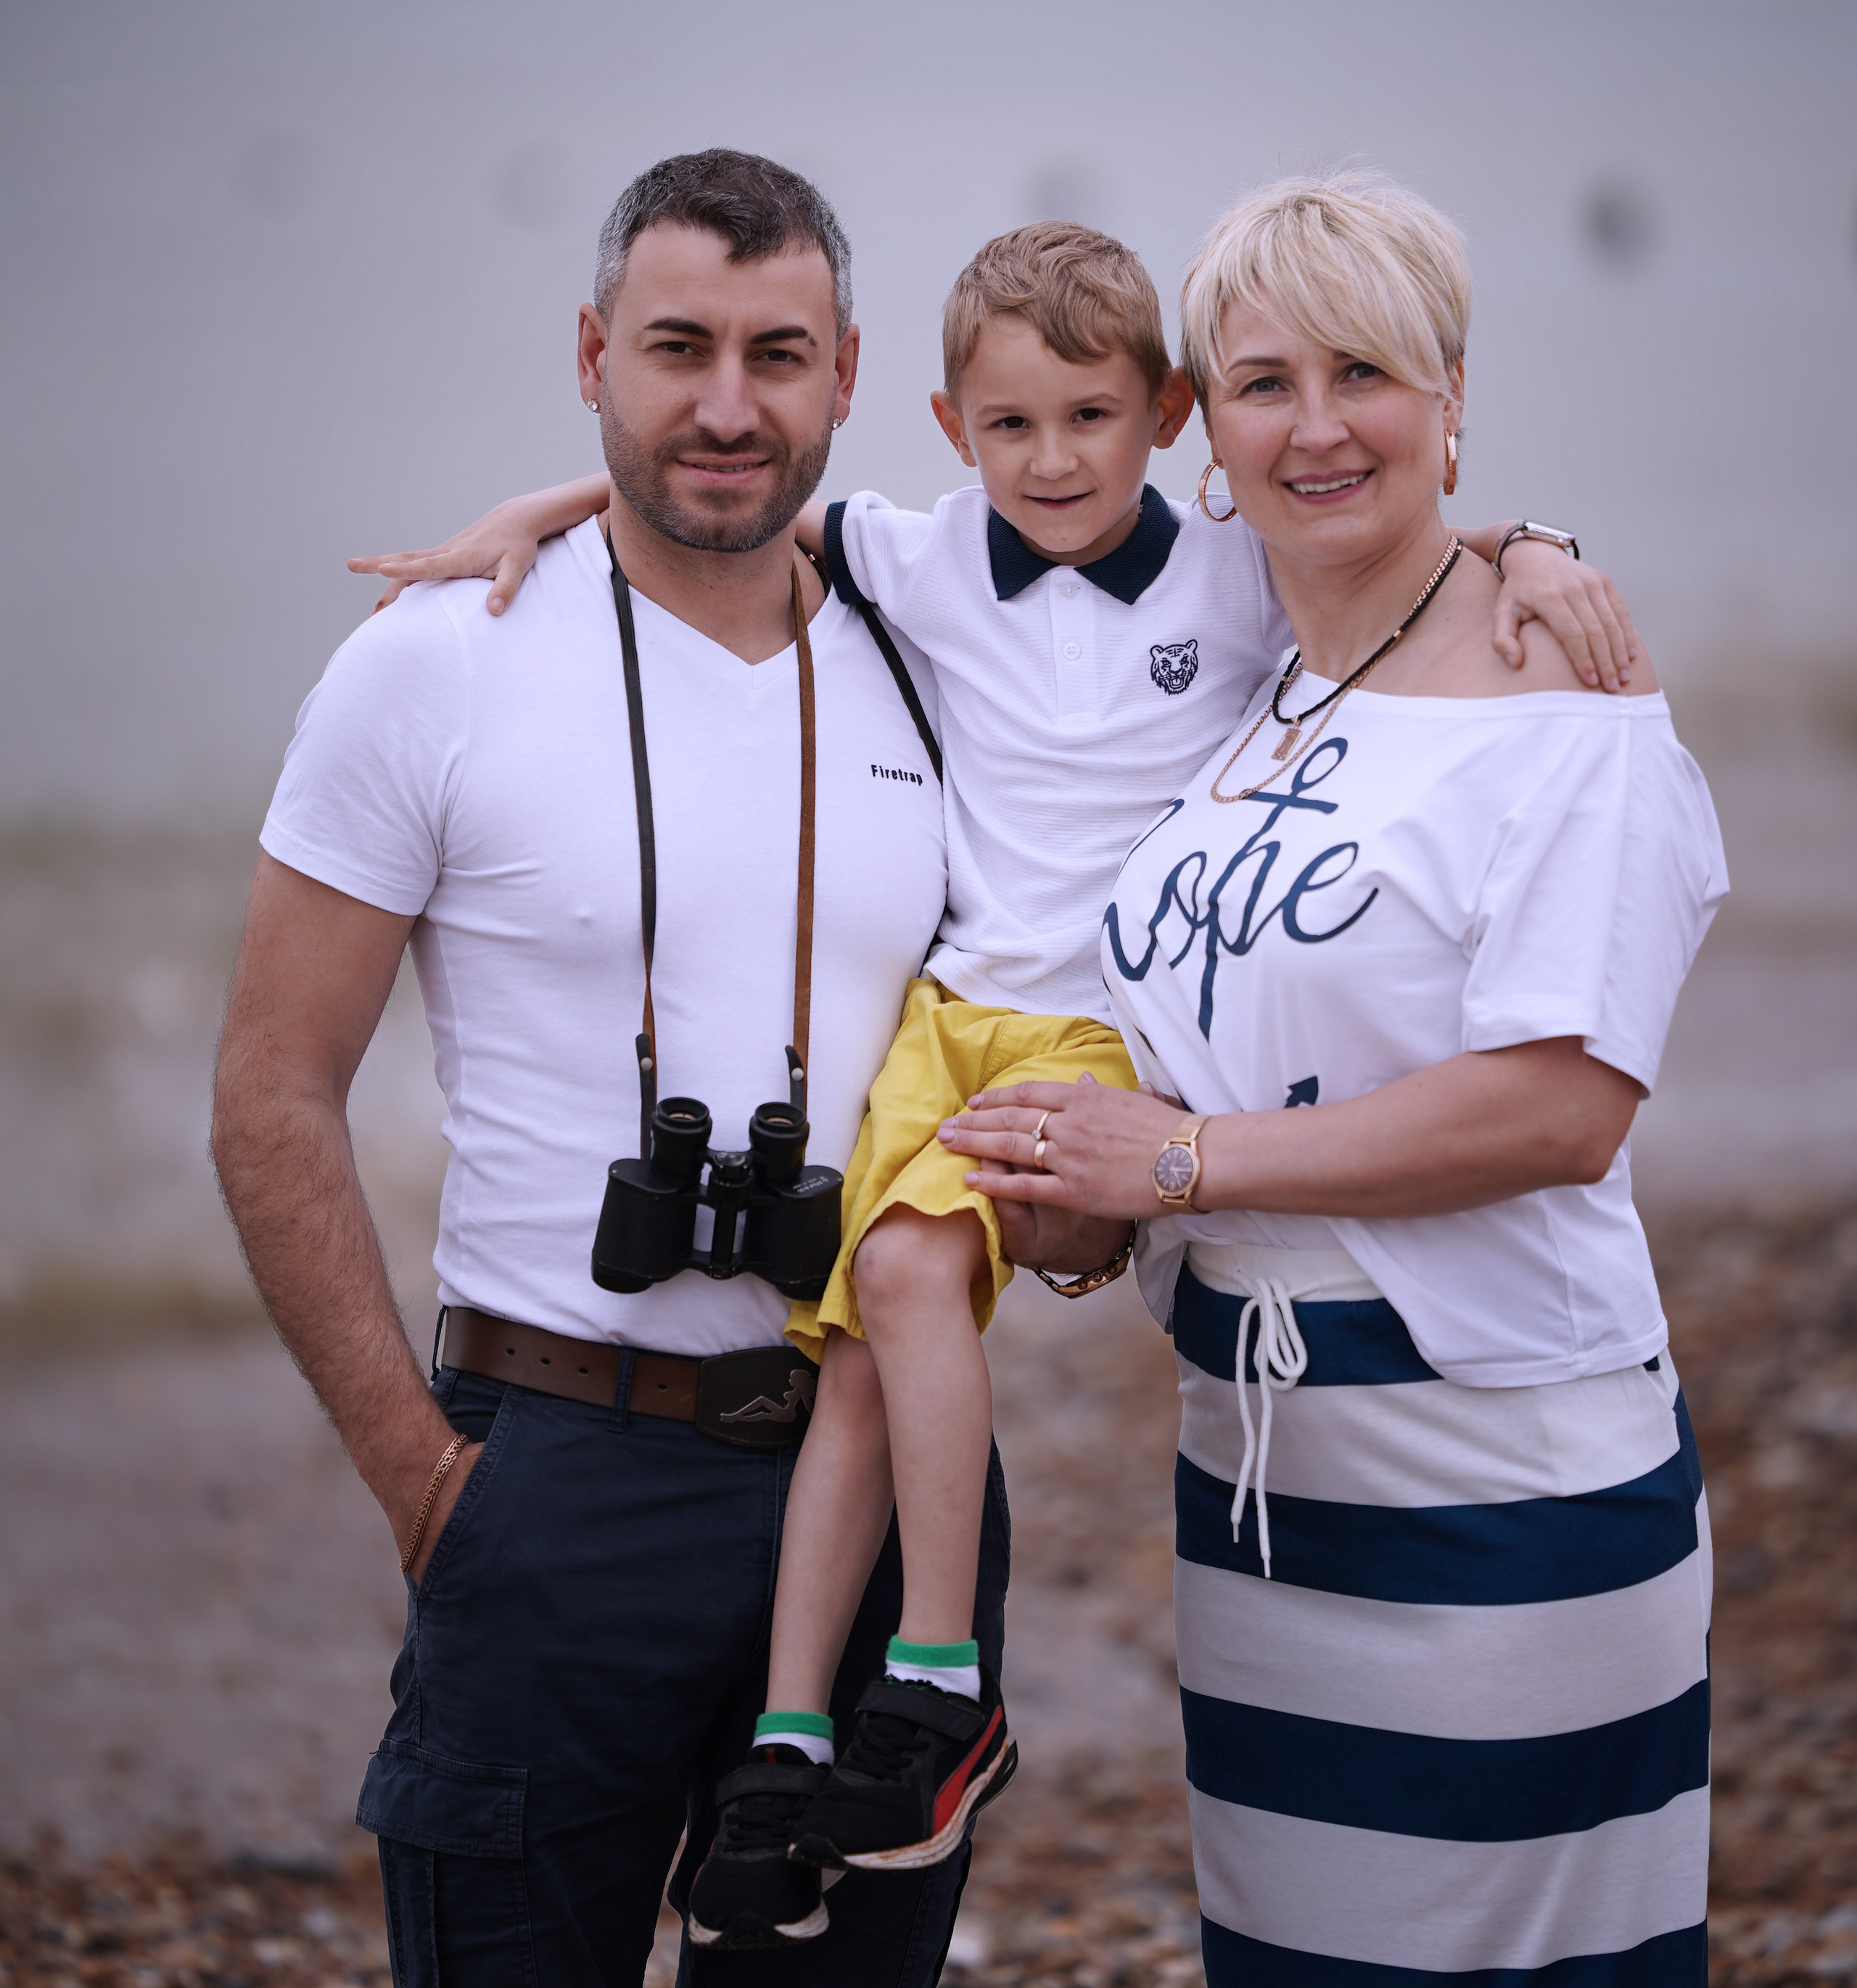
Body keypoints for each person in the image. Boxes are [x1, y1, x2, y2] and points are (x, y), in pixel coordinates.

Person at [361, 218, 1639, 1949]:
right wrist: (533, 515)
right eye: (1014, 426)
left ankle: (939, 1671)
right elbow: (715, 494)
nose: (1054, 460)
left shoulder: (1227, 570)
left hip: (1106, 1033)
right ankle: (801, 1722)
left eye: (1095, 420)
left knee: (890, 1289)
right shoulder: (911, 552)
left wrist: (1529, 542)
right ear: (953, 428)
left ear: (1169, 415)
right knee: (859, 1336)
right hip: (949, 1016)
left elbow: (1378, 539)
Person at [210, 147, 1010, 1988]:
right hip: (552, 1465)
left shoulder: (937, 650)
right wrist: (421, 1482)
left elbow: (1214, 591)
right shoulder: (430, 666)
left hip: (873, 1462)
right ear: (591, 354)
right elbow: (269, 1093)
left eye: (776, 354)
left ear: (851, 373)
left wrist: (1521, 562)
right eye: (676, 348)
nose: (726, 405)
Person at [944, 171, 1726, 1988]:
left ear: (1450, 397)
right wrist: (1082, 1209)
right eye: (1260, 381)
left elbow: (1560, 1108)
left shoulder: (1565, 710)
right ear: (1197, 426)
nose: (1313, 429)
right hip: (1261, 1492)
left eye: (1363, 373)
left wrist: (1191, 1160)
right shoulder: (1261, 689)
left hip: (1500, 1487)